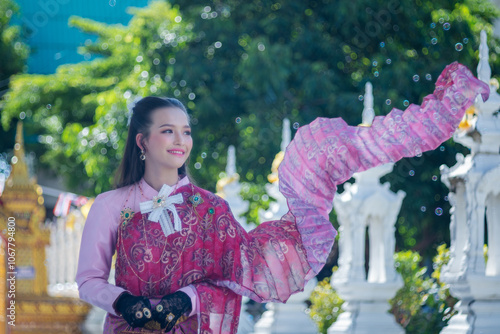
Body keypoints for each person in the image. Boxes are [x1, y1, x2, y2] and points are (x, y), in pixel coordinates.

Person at [76, 62, 489, 333]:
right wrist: (125, 301)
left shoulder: (211, 209)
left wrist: (187, 299)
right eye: (167, 130)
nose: (181, 140)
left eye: (185, 130)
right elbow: (89, 280)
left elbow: (234, 277)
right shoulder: (112, 205)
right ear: (141, 141)